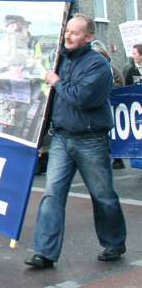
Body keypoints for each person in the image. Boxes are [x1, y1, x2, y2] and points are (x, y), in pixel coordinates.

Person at [25, 14, 127, 269]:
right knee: (52, 195)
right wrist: (39, 137)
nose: (68, 36)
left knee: (102, 195)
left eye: (75, 32)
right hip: (61, 137)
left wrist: (56, 81)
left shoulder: (98, 66)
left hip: (91, 139)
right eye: (67, 31)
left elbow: (81, 98)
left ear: (88, 37)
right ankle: (44, 252)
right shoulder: (58, 61)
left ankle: (114, 241)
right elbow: (48, 100)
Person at [91, 40, 125, 169]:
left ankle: (117, 157)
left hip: (113, 107)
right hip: (98, 108)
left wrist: (106, 89)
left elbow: (120, 84)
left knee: (114, 132)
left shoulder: (112, 69)